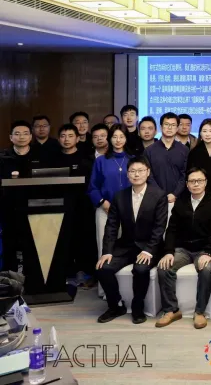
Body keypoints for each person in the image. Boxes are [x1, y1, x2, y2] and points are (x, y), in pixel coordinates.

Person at [95, 156, 167, 324]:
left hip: (149, 246)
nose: (136, 174)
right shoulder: (120, 196)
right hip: (126, 245)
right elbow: (111, 226)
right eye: (132, 171)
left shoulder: (159, 195)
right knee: (103, 268)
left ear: (148, 172)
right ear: (127, 174)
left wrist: (149, 250)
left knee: (141, 269)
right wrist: (107, 251)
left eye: (140, 171)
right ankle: (116, 305)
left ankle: (137, 306)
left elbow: (159, 227)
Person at [155, 167, 211, 329]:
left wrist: (208, 252)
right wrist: (169, 251)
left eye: (199, 181)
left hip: (204, 249)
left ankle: (199, 312)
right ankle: (171, 310)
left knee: (206, 269)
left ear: (205, 182)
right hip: (183, 249)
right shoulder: (181, 202)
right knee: (163, 267)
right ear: (187, 184)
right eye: (192, 181)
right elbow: (171, 229)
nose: (196, 184)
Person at [56, 124, 96, 287]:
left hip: (82, 206)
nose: (66, 139)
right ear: (59, 139)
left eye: (70, 136)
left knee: (84, 240)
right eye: (63, 136)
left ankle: (84, 273)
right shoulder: (53, 158)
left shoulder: (86, 159)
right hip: (60, 205)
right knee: (64, 239)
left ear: (78, 138)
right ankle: (66, 273)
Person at [88, 125, 132, 266]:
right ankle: (104, 278)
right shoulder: (100, 161)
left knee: (126, 248)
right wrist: (103, 202)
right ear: (109, 139)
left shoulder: (133, 160)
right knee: (104, 248)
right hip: (105, 209)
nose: (118, 140)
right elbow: (92, 187)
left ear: (126, 138)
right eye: (114, 137)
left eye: (121, 137)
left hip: (128, 210)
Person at [144, 113, 189, 204]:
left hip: (179, 199)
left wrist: (175, 194)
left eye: (173, 125)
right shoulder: (149, 150)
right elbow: (148, 175)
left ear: (177, 128)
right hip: (155, 198)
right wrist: (160, 194)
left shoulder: (184, 150)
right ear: (161, 127)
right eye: (166, 124)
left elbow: (185, 174)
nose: (169, 128)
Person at [187, 119, 211, 196]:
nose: (207, 134)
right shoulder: (194, 153)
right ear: (200, 133)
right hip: (199, 193)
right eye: (204, 131)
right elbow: (190, 174)